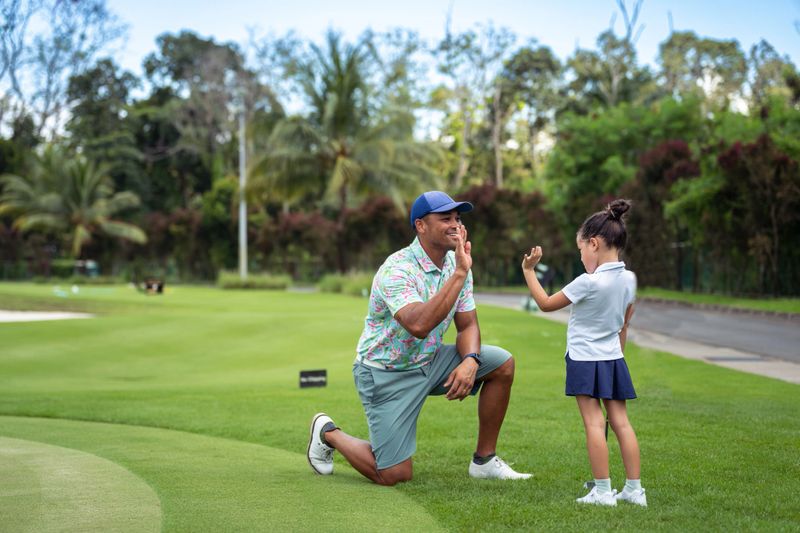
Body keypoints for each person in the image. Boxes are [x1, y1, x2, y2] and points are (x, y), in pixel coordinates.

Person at [307, 190, 532, 486]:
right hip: (386, 374)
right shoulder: (398, 269)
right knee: (393, 475)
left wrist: (471, 360)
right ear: (421, 226)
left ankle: (484, 461)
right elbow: (418, 325)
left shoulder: (457, 263)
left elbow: (467, 326)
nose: (455, 224)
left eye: (457, 218)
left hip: (431, 361)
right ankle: (328, 433)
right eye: (445, 218)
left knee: (502, 363)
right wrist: (460, 274)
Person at [520, 199, 646, 507]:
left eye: (581, 250)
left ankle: (603, 492)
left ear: (594, 243)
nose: (581, 256)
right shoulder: (630, 279)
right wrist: (618, 357)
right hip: (615, 359)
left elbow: (546, 304)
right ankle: (634, 490)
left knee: (593, 422)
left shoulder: (588, 282)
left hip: (584, 360)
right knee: (622, 423)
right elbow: (624, 325)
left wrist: (528, 271)